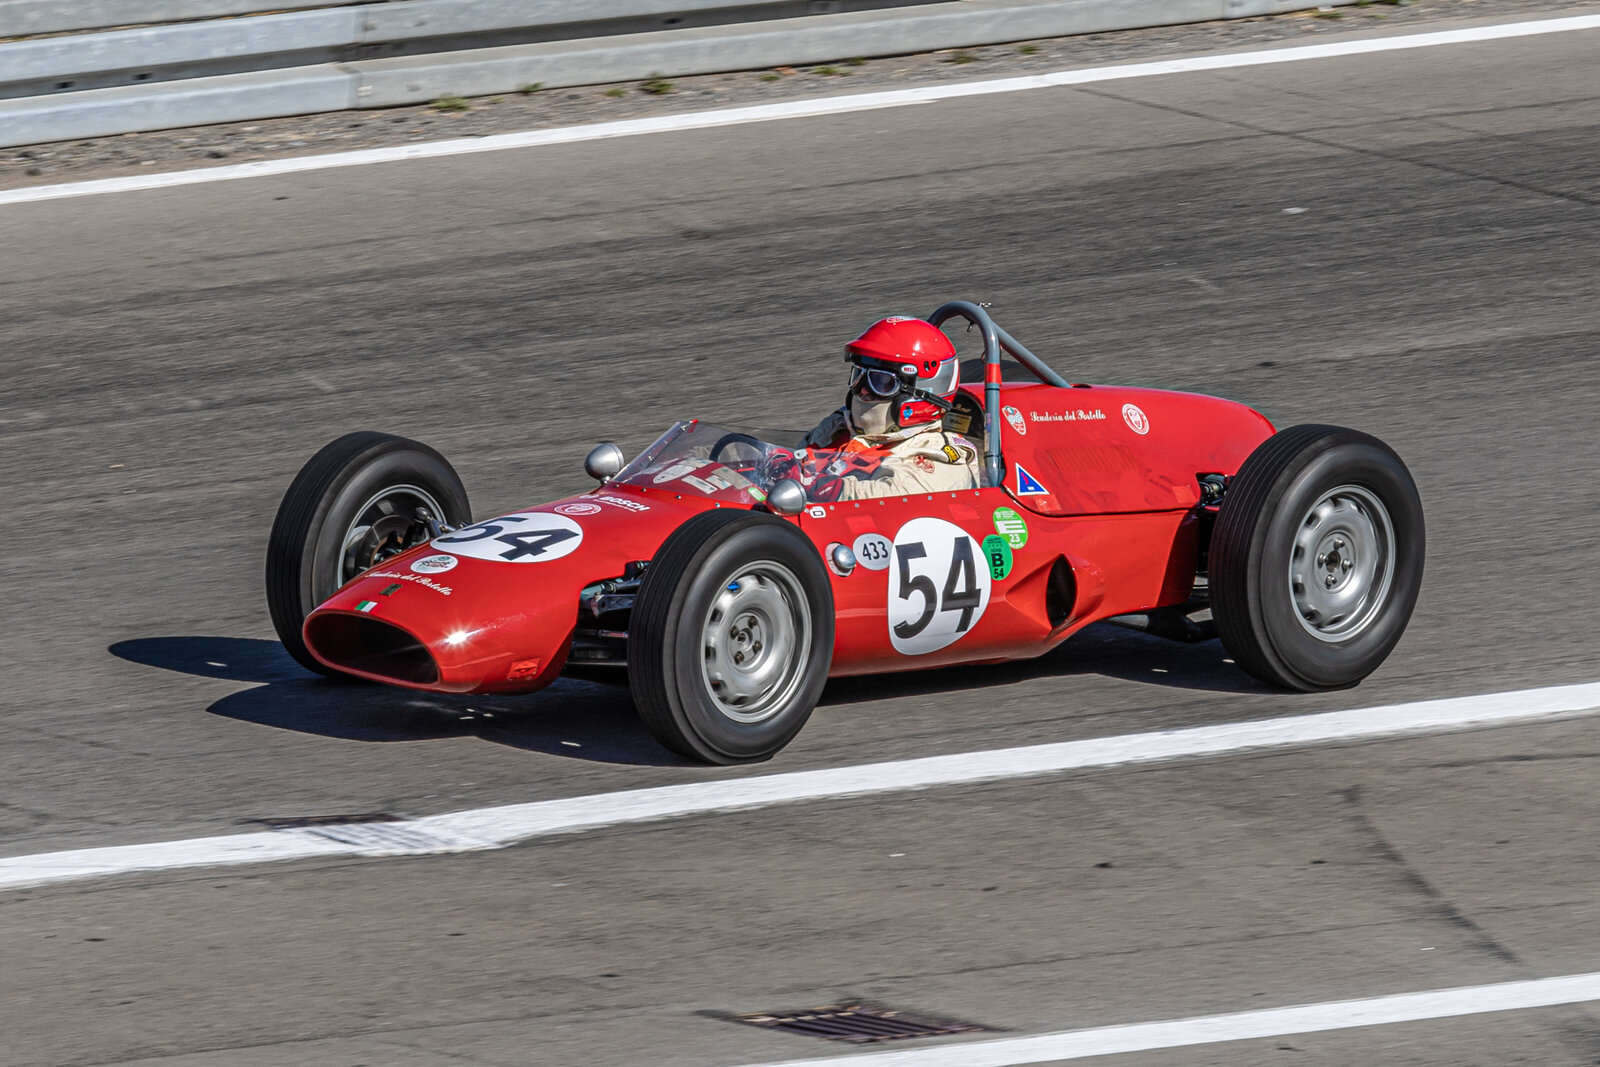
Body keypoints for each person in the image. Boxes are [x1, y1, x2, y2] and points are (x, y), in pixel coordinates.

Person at [788, 316, 982, 501]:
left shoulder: (939, 454)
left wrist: (825, 489)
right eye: (859, 375)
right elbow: (799, 460)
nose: (862, 389)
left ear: (921, 391)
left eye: (880, 381)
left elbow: (898, 498)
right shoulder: (839, 425)